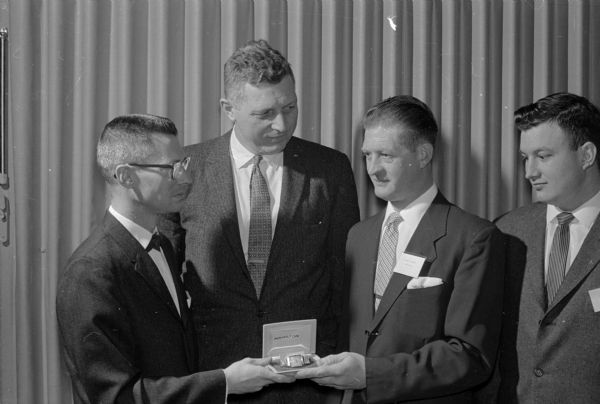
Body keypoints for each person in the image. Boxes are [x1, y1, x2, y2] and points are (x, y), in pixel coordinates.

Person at [159, 39, 360, 403]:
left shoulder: (331, 170)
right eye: (265, 113)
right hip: (216, 377)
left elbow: (342, 280)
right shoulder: (188, 169)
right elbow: (166, 286)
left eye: (290, 107)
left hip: (305, 383)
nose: (281, 124)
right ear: (229, 109)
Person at [56, 114, 292, 404]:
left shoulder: (162, 246)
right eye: (172, 168)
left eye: (184, 164)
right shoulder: (90, 273)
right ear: (126, 176)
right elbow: (115, 397)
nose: (187, 178)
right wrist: (225, 382)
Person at [295, 95, 505, 403]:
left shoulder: (473, 237)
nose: (372, 169)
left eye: (386, 156)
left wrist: (371, 373)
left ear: (423, 155)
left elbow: (470, 355)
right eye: (367, 155)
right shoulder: (359, 236)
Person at [494, 92, 600, 403]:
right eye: (525, 158)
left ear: (586, 155)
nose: (530, 172)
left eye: (543, 156)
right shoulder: (506, 230)